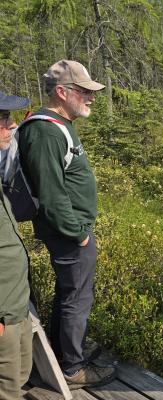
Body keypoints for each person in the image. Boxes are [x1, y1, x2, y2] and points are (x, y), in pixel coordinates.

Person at [18, 60, 116, 388]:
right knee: (77, 298)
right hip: (68, 235)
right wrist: (78, 235)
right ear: (62, 92)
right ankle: (73, 368)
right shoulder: (45, 131)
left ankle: (65, 352)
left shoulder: (60, 125)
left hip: (71, 232)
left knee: (69, 294)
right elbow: (51, 194)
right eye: (84, 91)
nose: (91, 97)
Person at [0, 91, 33, 399]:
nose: (11, 127)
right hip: (2, 314)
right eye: (4, 121)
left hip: (16, 303)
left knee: (21, 375)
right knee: (7, 387)